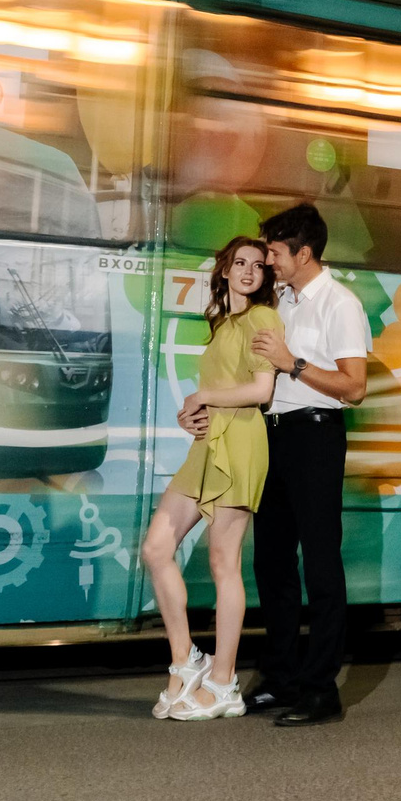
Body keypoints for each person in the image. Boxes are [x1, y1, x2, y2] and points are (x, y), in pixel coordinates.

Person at [137, 235, 280, 721]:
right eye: (239, 263)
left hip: (241, 444)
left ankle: (223, 683)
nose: (247, 271)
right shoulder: (222, 324)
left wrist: (204, 399)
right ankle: (185, 660)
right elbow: (216, 390)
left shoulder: (263, 318)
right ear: (224, 270)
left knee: (224, 565)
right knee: (157, 547)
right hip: (207, 443)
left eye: (258, 266)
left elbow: (262, 390)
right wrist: (191, 412)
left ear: (265, 276)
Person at [245, 202, 370, 725]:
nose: (269, 260)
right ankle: (282, 678)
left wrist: (292, 363)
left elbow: (354, 387)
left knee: (319, 566)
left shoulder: (340, 305)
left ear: (304, 252)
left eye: (274, 252)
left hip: (316, 438)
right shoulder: (285, 301)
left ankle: (321, 691)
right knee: (271, 564)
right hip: (273, 436)